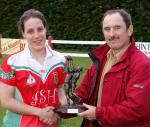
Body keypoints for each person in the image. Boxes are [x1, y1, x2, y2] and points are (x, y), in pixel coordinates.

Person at [74, 9, 150, 127]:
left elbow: (136, 109)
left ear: (129, 30)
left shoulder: (142, 65)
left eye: (117, 28)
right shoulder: (100, 60)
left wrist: (98, 114)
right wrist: (63, 105)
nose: (112, 34)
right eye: (107, 29)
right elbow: (82, 94)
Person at [0, 9, 67, 127]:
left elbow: (60, 89)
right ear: (23, 33)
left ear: (45, 29)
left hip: (52, 124)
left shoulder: (61, 60)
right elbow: (6, 101)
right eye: (30, 31)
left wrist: (63, 103)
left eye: (40, 29)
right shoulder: (12, 62)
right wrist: (40, 112)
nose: (37, 35)